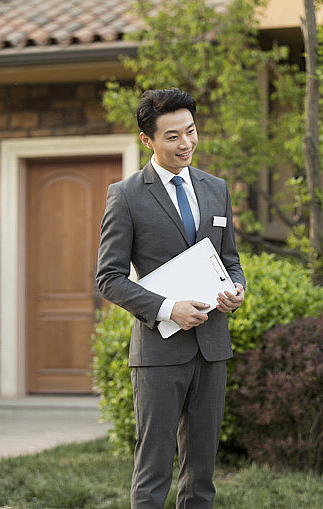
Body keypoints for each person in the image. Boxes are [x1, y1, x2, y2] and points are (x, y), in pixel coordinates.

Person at [96, 88, 245, 509]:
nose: (187, 144)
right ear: (148, 140)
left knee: (202, 473)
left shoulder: (216, 189)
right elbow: (108, 278)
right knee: (154, 469)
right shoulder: (125, 195)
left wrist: (237, 289)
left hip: (212, 347)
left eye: (192, 132)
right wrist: (167, 309)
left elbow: (230, 260)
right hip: (158, 352)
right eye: (173, 137)